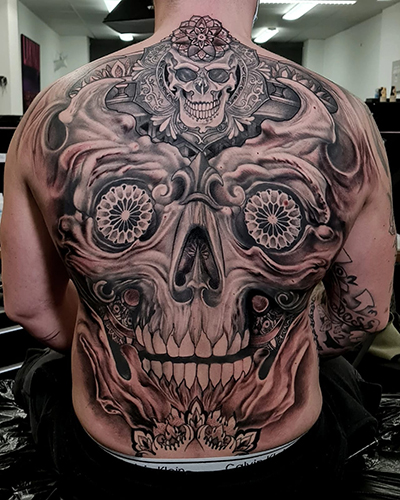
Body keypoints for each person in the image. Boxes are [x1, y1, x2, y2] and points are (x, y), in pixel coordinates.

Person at [0, 0, 396, 496]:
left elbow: (28, 307)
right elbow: (364, 313)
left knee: (40, 377)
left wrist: (109, 325)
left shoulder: (50, 114)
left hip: (106, 467)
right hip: (290, 463)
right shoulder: (347, 119)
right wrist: (272, 338)